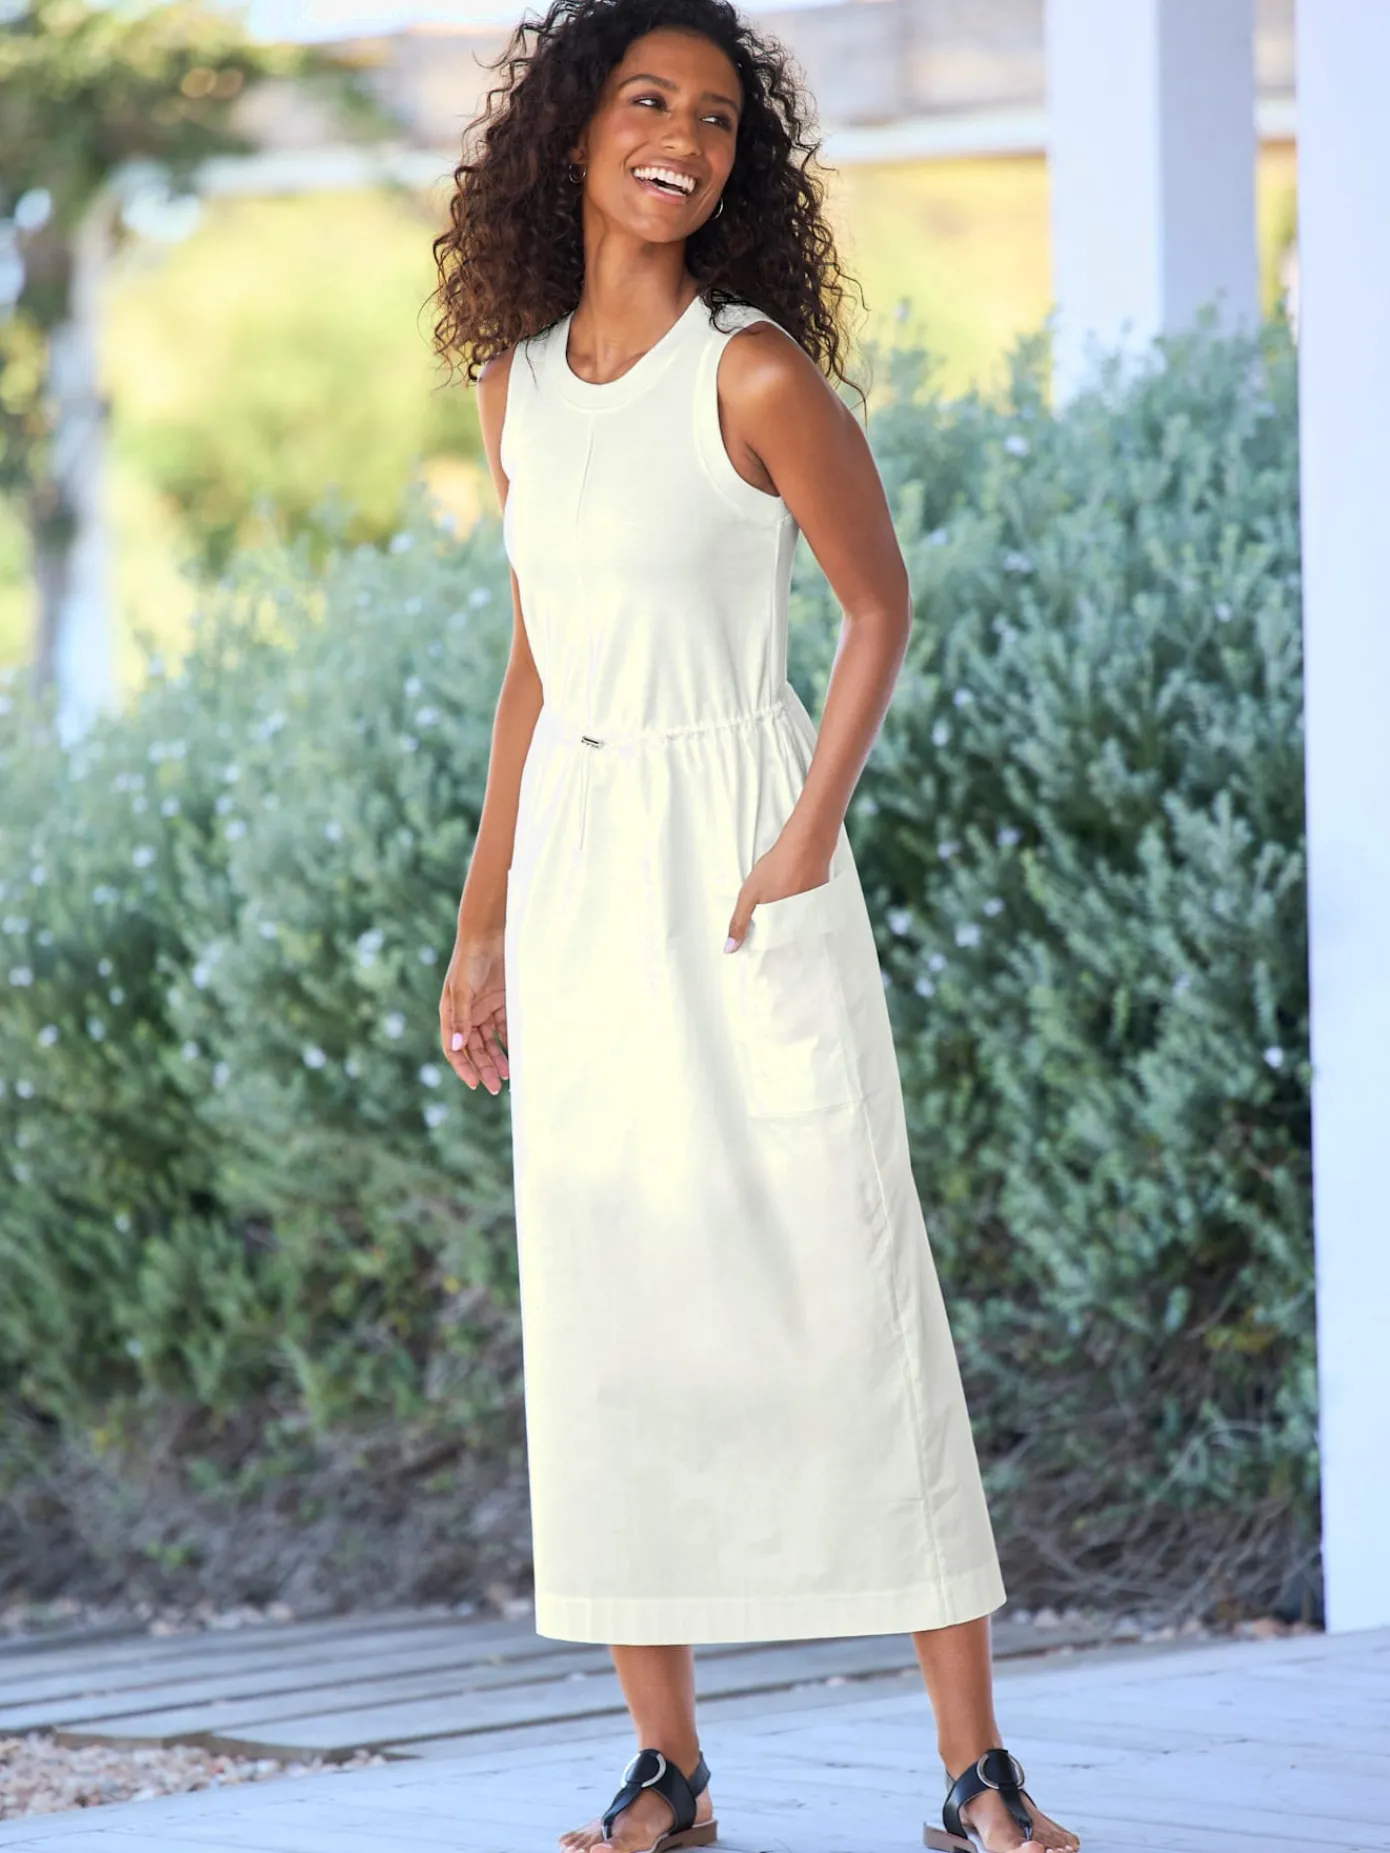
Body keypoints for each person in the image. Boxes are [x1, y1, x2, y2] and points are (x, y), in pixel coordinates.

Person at [433, 2, 1081, 1850]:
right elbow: (536, 666)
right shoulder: (512, 383)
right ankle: (670, 1771)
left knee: (845, 1271)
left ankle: (974, 1771)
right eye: (648, 102)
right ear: (572, 134)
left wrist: (802, 839)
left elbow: (876, 607)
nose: (683, 138)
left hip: (741, 857)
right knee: (608, 1297)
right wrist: (481, 921)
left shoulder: (754, 372)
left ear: (742, 161)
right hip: (582, 872)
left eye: (717, 117)